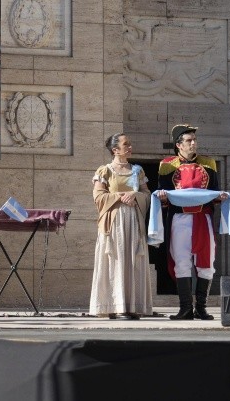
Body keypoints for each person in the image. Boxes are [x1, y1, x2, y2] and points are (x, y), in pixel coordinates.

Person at [158, 124, 229, 320]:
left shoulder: (208, 163)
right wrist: (163, 197)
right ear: (178, 145)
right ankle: (186, 308)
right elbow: (162, 193)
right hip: (179, 218)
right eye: (189, 141)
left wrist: (219, 197)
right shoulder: (167, 164)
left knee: (207, 262)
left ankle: (202, 308)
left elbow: (213, 190)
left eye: (194, 140)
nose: (193, 144)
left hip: (202, 218)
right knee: (181, 261)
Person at [88, 133, 152, 320]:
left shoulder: (138, 170)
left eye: (130, 144)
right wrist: (119, 196)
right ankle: (115, 306)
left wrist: (135, 195)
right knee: (116, 261)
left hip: (134, 221)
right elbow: (98, 198)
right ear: (115, 149)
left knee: (132, 261)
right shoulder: (105, 171)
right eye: (126, 144)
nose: (130, 147)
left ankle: (132, 306)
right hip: (114, 223)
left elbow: (147, 195)